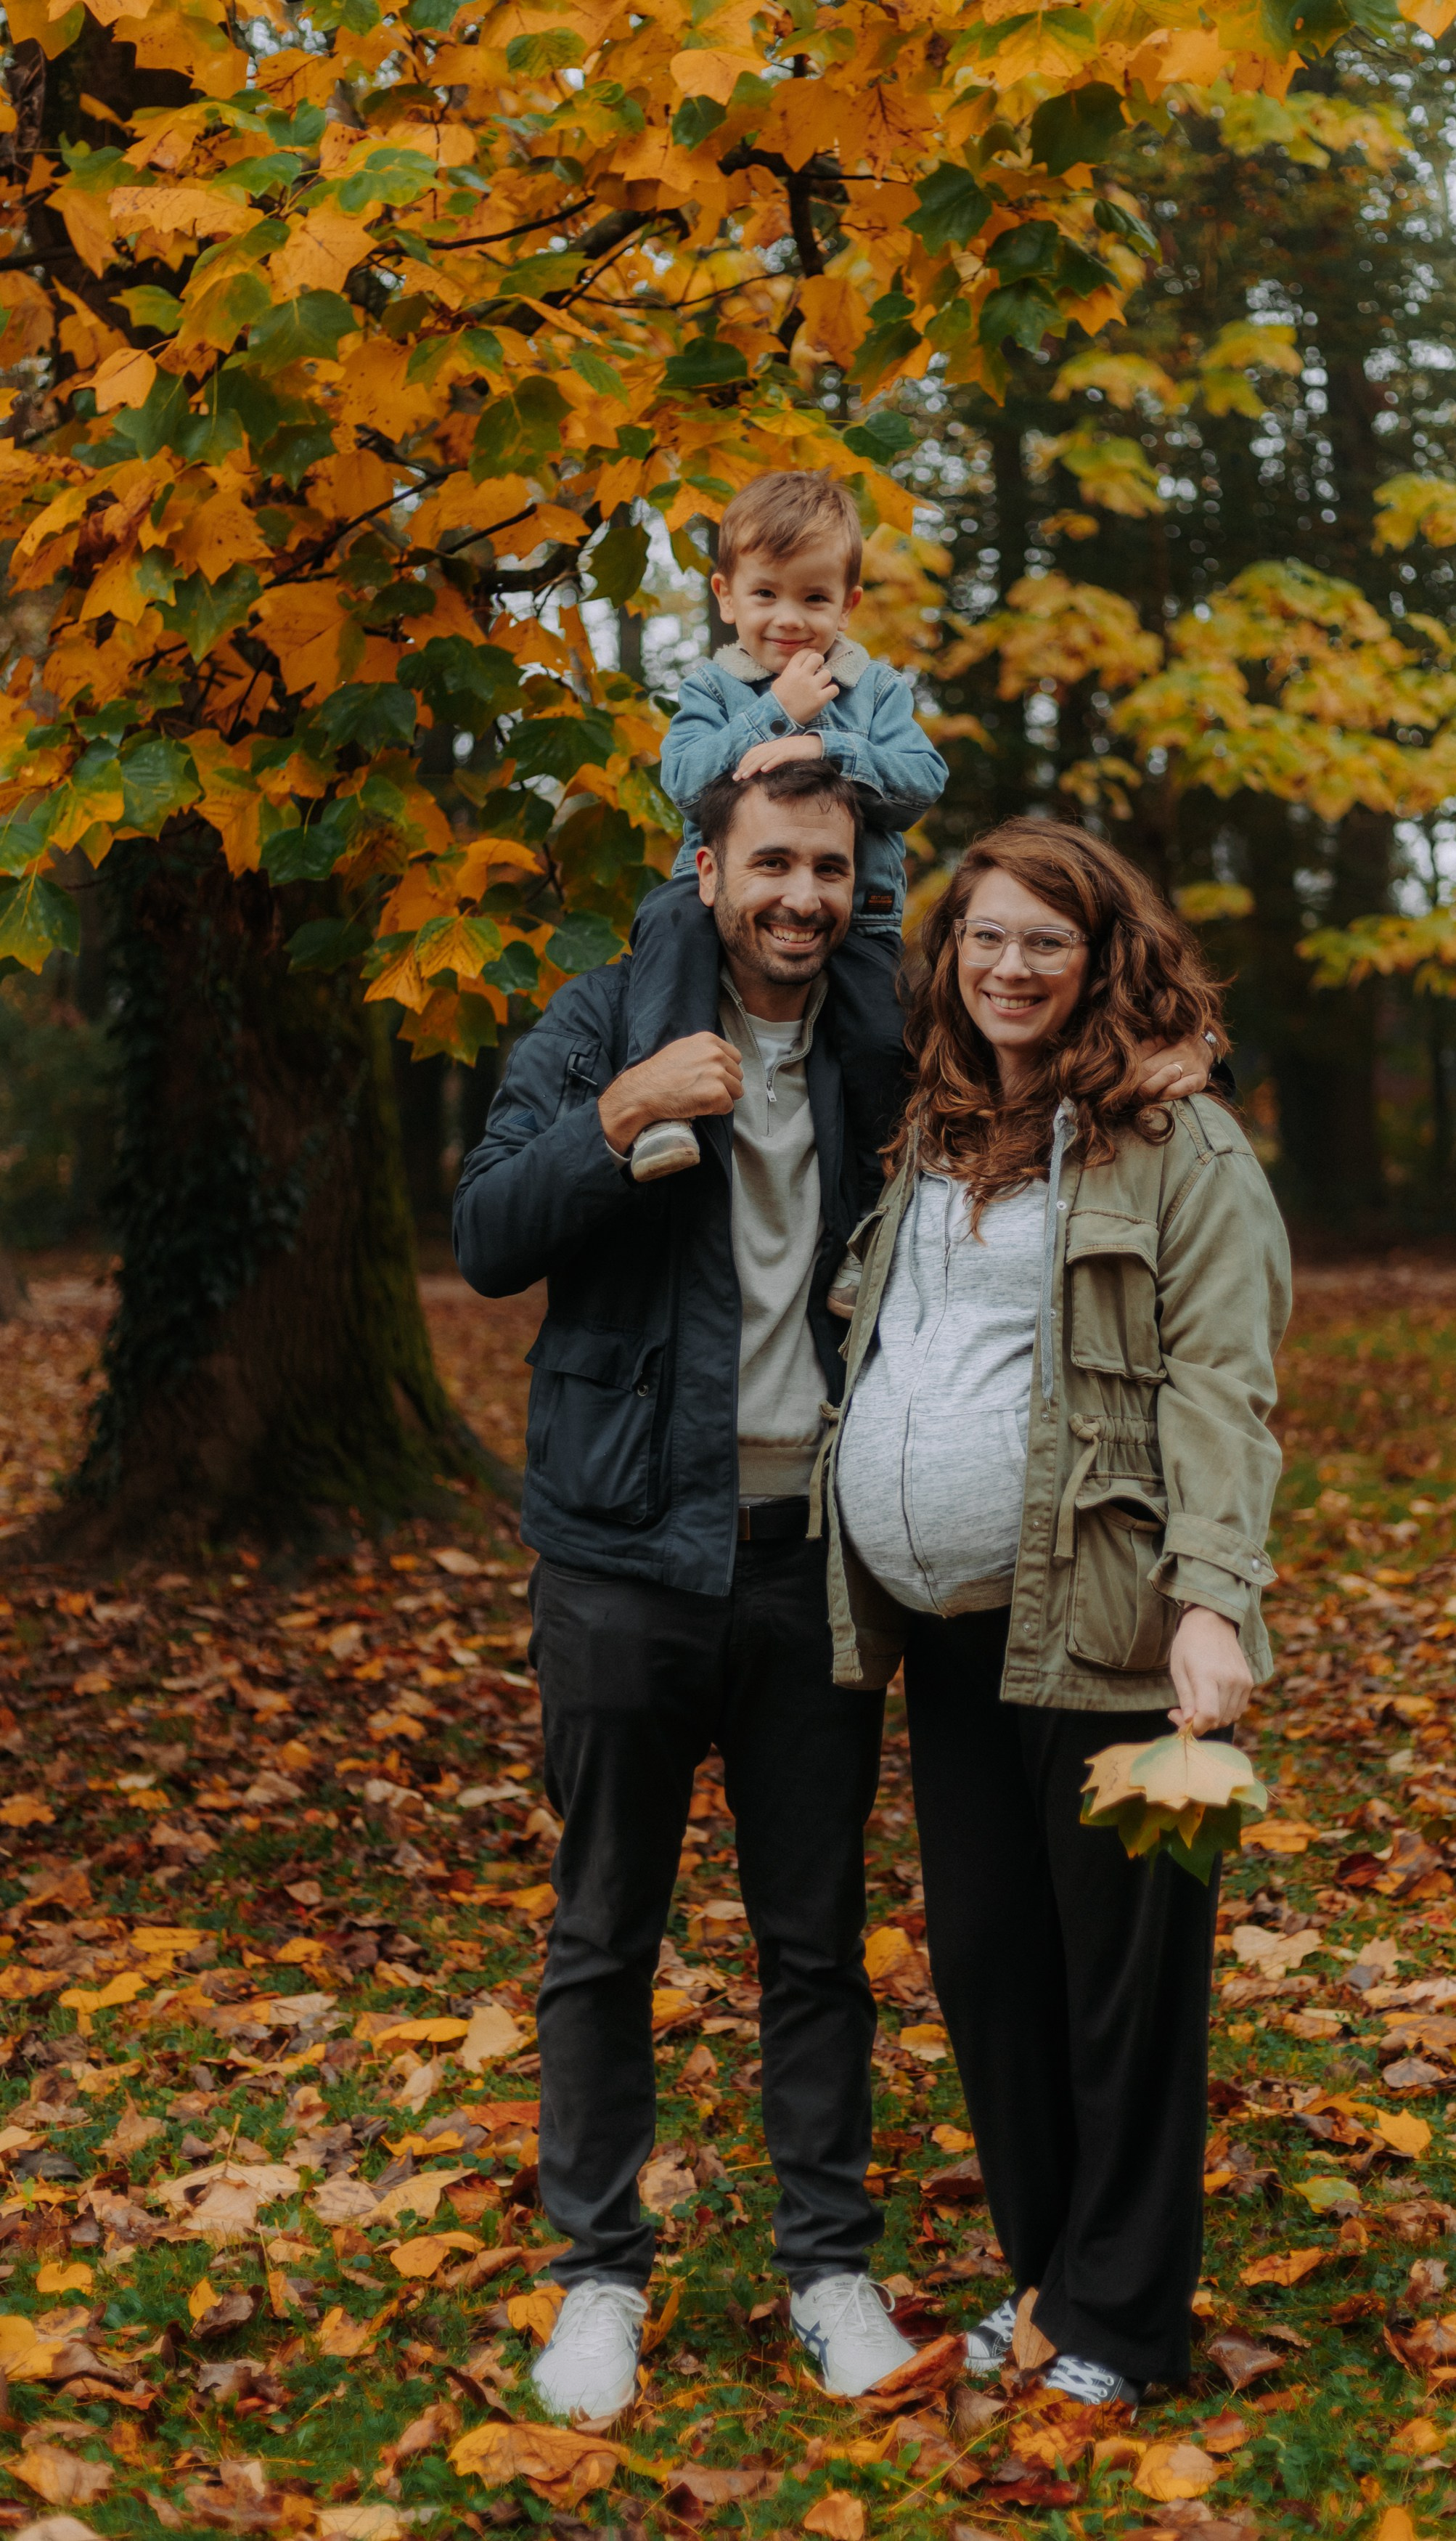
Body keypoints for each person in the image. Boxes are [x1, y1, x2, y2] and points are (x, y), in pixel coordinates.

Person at [453, 756, 925, 2420]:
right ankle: (596, 2281)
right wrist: (622, 1114)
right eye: (773, 863)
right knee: (602, 1936)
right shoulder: (597, 1022)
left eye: (830, 870)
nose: (801, 896)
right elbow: (488, 1233)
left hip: (814, 1565)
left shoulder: (881, 1047)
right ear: (708, 867)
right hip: (622, 1560)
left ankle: (830, 2267)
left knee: (816, 1943)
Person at [817, 817, 1291, 2408]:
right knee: (989, 1969)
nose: (1008, 966)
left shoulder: (1176, 1142)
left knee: (1123, 1994)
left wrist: (1209, 1605)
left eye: (1043, 940)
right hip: (954, 1639)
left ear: (1102, 958)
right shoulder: (936, 1127)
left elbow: (1223, 1385)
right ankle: (1047, 2286)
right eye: (983, 937)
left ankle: (1123, 2328)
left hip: (1108, 1628)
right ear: (947, 958)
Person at [640, 469, 949, 1183]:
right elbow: (685, 784)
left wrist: (823, 744)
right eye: (765, 593)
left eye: (814, 597)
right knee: (664, 943)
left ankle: (873, 1216)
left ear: (849, 603)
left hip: (855, 917)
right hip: (712, 900)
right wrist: (775, 709)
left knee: (877, 1044)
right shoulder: (712, 688)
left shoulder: (874, 690)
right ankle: (663, 1113)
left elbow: (922, 782)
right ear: (725, 596)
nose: (789, 618)